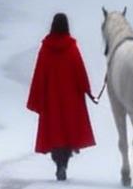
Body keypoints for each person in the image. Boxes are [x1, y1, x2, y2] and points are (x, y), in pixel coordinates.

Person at [26, 12, 97, 179]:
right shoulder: (71, 47)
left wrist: (37, 96)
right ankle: (64, 164)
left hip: (51, 99)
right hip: (70, 99)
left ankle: (58, 164)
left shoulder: (46, 48)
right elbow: (80, 70)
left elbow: (39, 73)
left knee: (54, 131)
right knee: (68, 130)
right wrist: (87, 90)